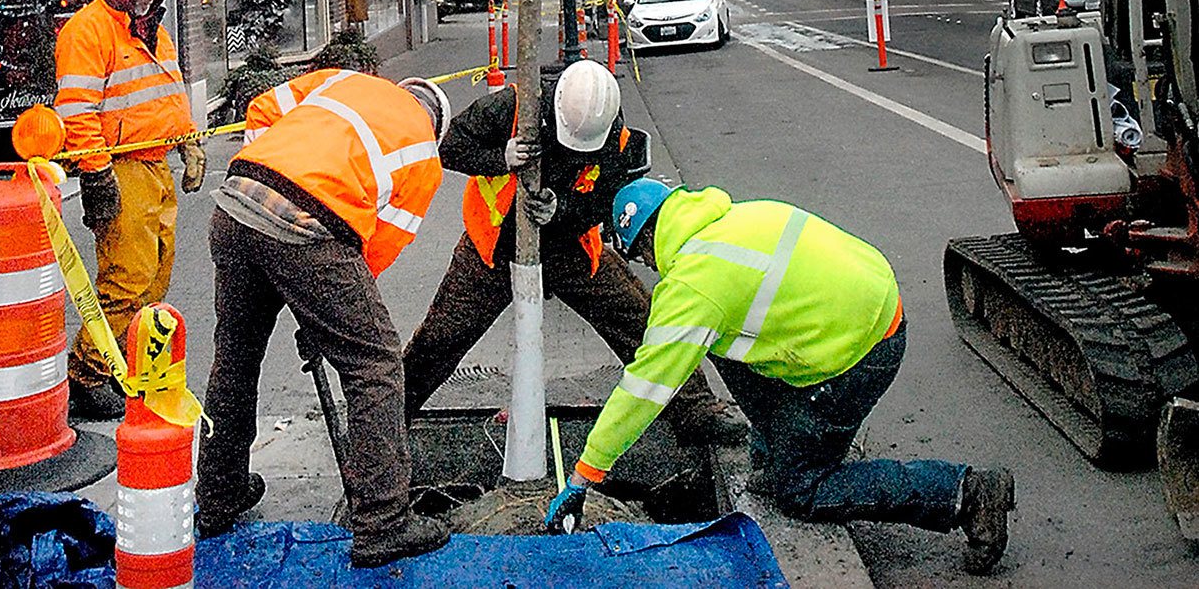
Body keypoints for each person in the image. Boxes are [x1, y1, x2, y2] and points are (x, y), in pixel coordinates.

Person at [546, 179, 1017, 576]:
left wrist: (586, 473)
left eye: (641, 259)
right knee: (721, 342)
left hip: (858, 354)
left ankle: (965, 493)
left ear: (645, 242)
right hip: (873, 304)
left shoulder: (693, 285)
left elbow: (646, 386)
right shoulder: (736, 217)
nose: (648, 268)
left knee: (803, 489)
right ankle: (775, 444)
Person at [402, 61, 744, 442]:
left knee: (638, 321)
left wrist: (561, 209)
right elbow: (447, 145)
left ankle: (695, 409)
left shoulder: (614, 134)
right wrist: (502, 158)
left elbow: (606, 198)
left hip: (570, 248)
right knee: (441, 338)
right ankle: (388, 423)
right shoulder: (513, 108)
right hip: (493, 249)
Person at [196, 68, 453, 569]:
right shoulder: (424, 154)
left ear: (405, 89)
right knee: (375, 364)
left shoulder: (343, 81)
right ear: (436, 125)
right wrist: (326, 314)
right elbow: (375, 250)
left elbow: (262, 110)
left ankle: (218, 494)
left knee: (235, 359)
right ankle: (384, 522)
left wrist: (268, 176)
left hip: (236, 203)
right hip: (309, 223)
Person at [54, 0, 205, 420]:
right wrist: (97, 178)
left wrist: (189, 142)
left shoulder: (151, 31)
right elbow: (77, 112)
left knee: (155, 277)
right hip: (122, 169)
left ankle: (121, 366)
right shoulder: (87, 31)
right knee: (126, 278)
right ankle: (86, 373)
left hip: (154, 166)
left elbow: (167, 94)